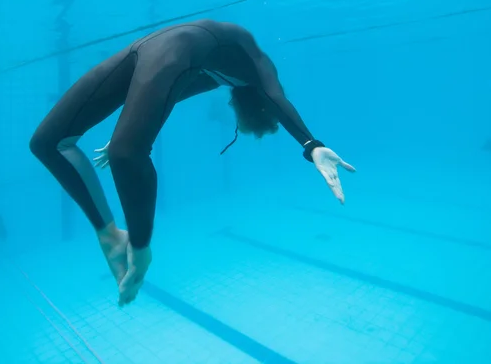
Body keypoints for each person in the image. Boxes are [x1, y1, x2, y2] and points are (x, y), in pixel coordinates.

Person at [29, 19, 355, 305]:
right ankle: (136, 248)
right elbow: (275, 96)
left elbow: (168, 91)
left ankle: (110, 235)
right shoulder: (255, 68)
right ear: (256, 111)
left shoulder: (216, 74)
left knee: (52, 143)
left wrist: (132, 126)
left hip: (152, 45)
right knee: (117, 153)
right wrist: (312, 145)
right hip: (165, 48)